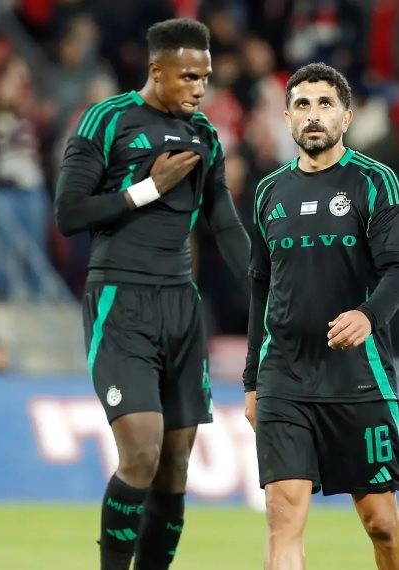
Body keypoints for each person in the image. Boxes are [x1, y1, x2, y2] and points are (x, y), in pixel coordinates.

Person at [55, 18, 249, 570]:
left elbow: (224, 223)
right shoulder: (107, 119)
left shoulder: (205, 135)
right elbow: (69, 214)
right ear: (156, 70)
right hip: (120, 300)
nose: (199, 88)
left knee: (175, 466)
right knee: (141, 449)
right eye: (188, 76)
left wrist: (268, 287)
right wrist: (147, 189)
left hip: (181, 306)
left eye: (205, 77)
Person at [243, 62, 399, 570]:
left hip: (359, 378)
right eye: (302, 105)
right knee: (283, 517)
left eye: (325, 104)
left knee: (383, 525)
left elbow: (397, 268)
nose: (313, 114)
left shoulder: (375, 181)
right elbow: (260, 286)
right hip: (284, 378)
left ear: (346, 117)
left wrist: (369, 316)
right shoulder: (269, 191)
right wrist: (252, 381)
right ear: (287, 117)